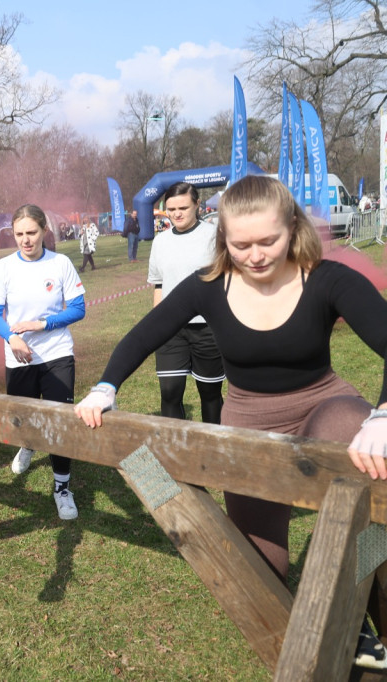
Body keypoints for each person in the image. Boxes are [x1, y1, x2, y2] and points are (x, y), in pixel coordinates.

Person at [74, 175, 387, 669]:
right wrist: (105, 386)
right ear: (223, 237)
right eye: (241, 245)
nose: (255, 256)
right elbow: (144, 334)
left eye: (268, 241)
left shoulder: (327, 278)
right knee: (260, 567)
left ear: (293, 228)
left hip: (323, 402)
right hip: (249, 420)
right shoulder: (209, 285)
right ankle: (302, 637)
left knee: (360, 457)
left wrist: (383, 415)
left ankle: (360, 612)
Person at [0, 204, 86, 520]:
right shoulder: (3, 268)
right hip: (19, 356)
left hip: (57, 353)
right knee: (24, 419)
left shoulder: (60, 263)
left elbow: (79, 308)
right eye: (19, 234)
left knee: (59, 422)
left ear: (44, 230)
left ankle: (62, 489)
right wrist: (12, 338)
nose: (25, 240)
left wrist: (41, 324)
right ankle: (28, 445)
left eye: (31, 232)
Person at [148, 182, 225, 425]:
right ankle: (176, 446)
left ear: (197, 205)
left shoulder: (215, 236)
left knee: (210, 393)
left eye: (183, 208)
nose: (177, 214)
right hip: (171, 330)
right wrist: (157, 325)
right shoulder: (160, 242)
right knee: (169, 392)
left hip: (208, 328)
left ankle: (213, 445)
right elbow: (158, 285)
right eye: (171, 209)